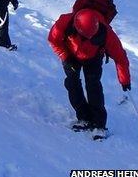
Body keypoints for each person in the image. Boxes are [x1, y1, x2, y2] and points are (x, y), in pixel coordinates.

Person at [47, 8, 131, 140]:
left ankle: (99, 125)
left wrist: (124, 80)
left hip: (94, 57)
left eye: (93, 36)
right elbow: (53, 40)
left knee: (93, 86)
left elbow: (120, 57)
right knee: (72, 83)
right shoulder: (65, 22)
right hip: (70, 55)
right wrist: (65, 57)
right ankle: (84, 118)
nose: (90, 38)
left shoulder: (107, 33)